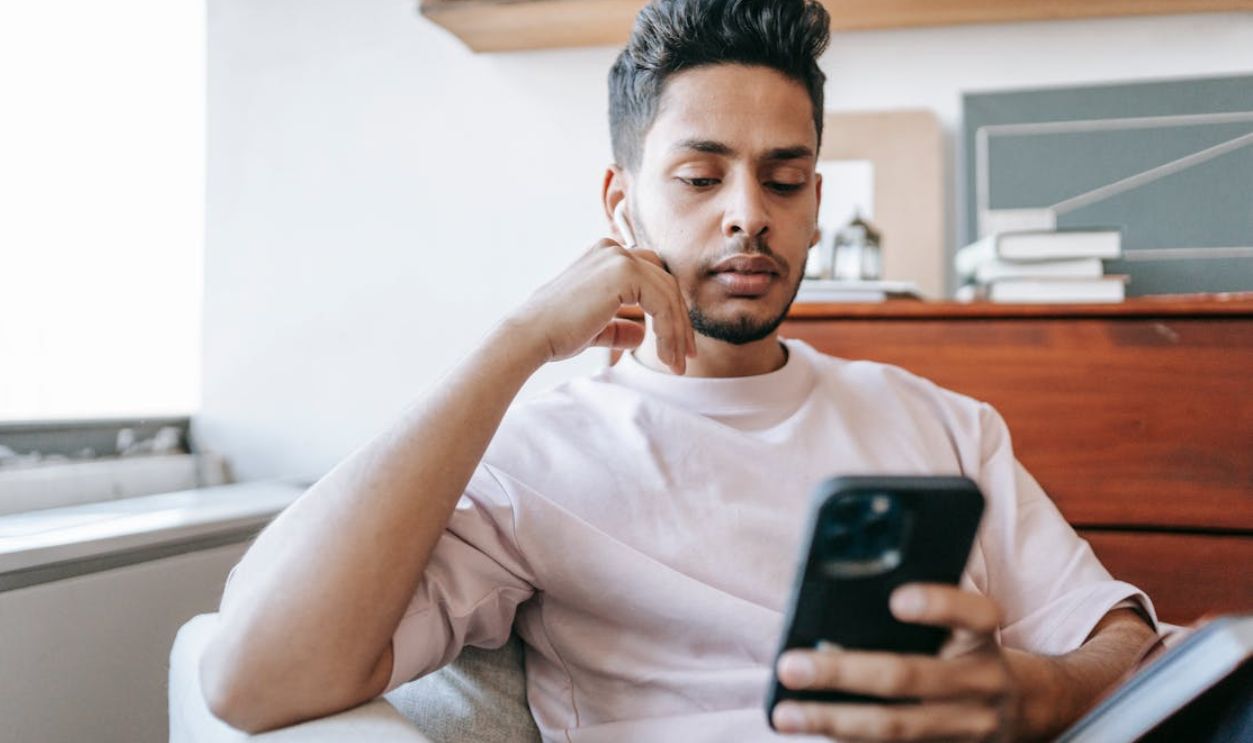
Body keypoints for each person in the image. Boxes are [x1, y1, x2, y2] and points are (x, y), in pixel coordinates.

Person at [200, 1, 1159, 739]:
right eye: (700, 178)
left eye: (784, 180)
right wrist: (517, 340)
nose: (749, 213)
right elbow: (250, 676)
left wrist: (1036, 694)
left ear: (816, 205)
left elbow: (1127, 645)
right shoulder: (533, 458)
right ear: (620, 203)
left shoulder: (944, 424)